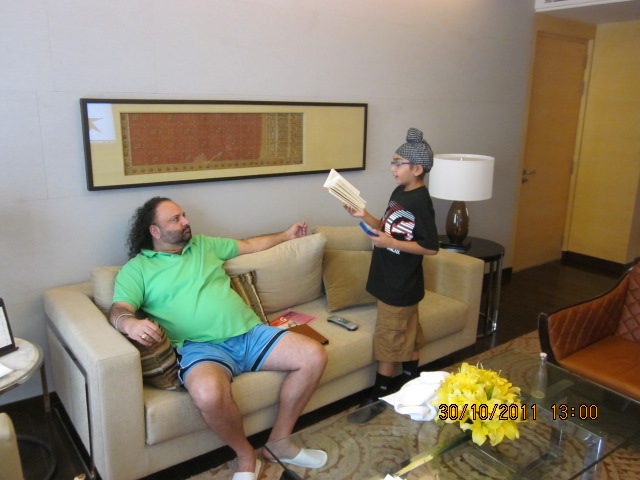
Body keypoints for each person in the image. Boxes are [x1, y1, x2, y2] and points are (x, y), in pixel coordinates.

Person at [109, 197, 328, 480]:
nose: (186, 221)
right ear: (155, 231)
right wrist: (128, 323)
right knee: (207, 394)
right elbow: (119, 308)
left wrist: (286, 235)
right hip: (200, 348)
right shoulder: (137, 269)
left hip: (250, 333)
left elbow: (250, 245)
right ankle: (245, 455)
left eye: (184, 215)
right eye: (175, 219)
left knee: (313, 355)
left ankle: (279, 443)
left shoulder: (203, 245)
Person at [344, 128, 439, 423]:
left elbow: (430, 247)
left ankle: (379, 398)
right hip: (390, 278)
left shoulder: (421, 200)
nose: (392, 168)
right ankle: (414, 387)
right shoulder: (400, 192)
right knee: (407, 337)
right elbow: (386, 227)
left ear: (417, 169)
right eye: (393, 162)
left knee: (388, 343)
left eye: (398, 163)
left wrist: (389, 243)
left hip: (400, 284)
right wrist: (364, 216)